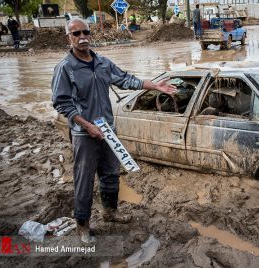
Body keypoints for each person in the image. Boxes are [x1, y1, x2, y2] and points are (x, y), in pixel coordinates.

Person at [51, 18, 177, 244]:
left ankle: (110, 212)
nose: (82, 37)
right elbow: (61, 103)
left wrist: (155, 85)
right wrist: (87, 125)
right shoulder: (65, 68)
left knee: (111, 174)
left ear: (91, 34)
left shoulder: (102, 62)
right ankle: (83, 225)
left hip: (107, 130)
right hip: (84, 134)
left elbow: (126, 80)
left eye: (85, 32)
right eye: (76, 34)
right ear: (68, 38)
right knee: (84, 179)